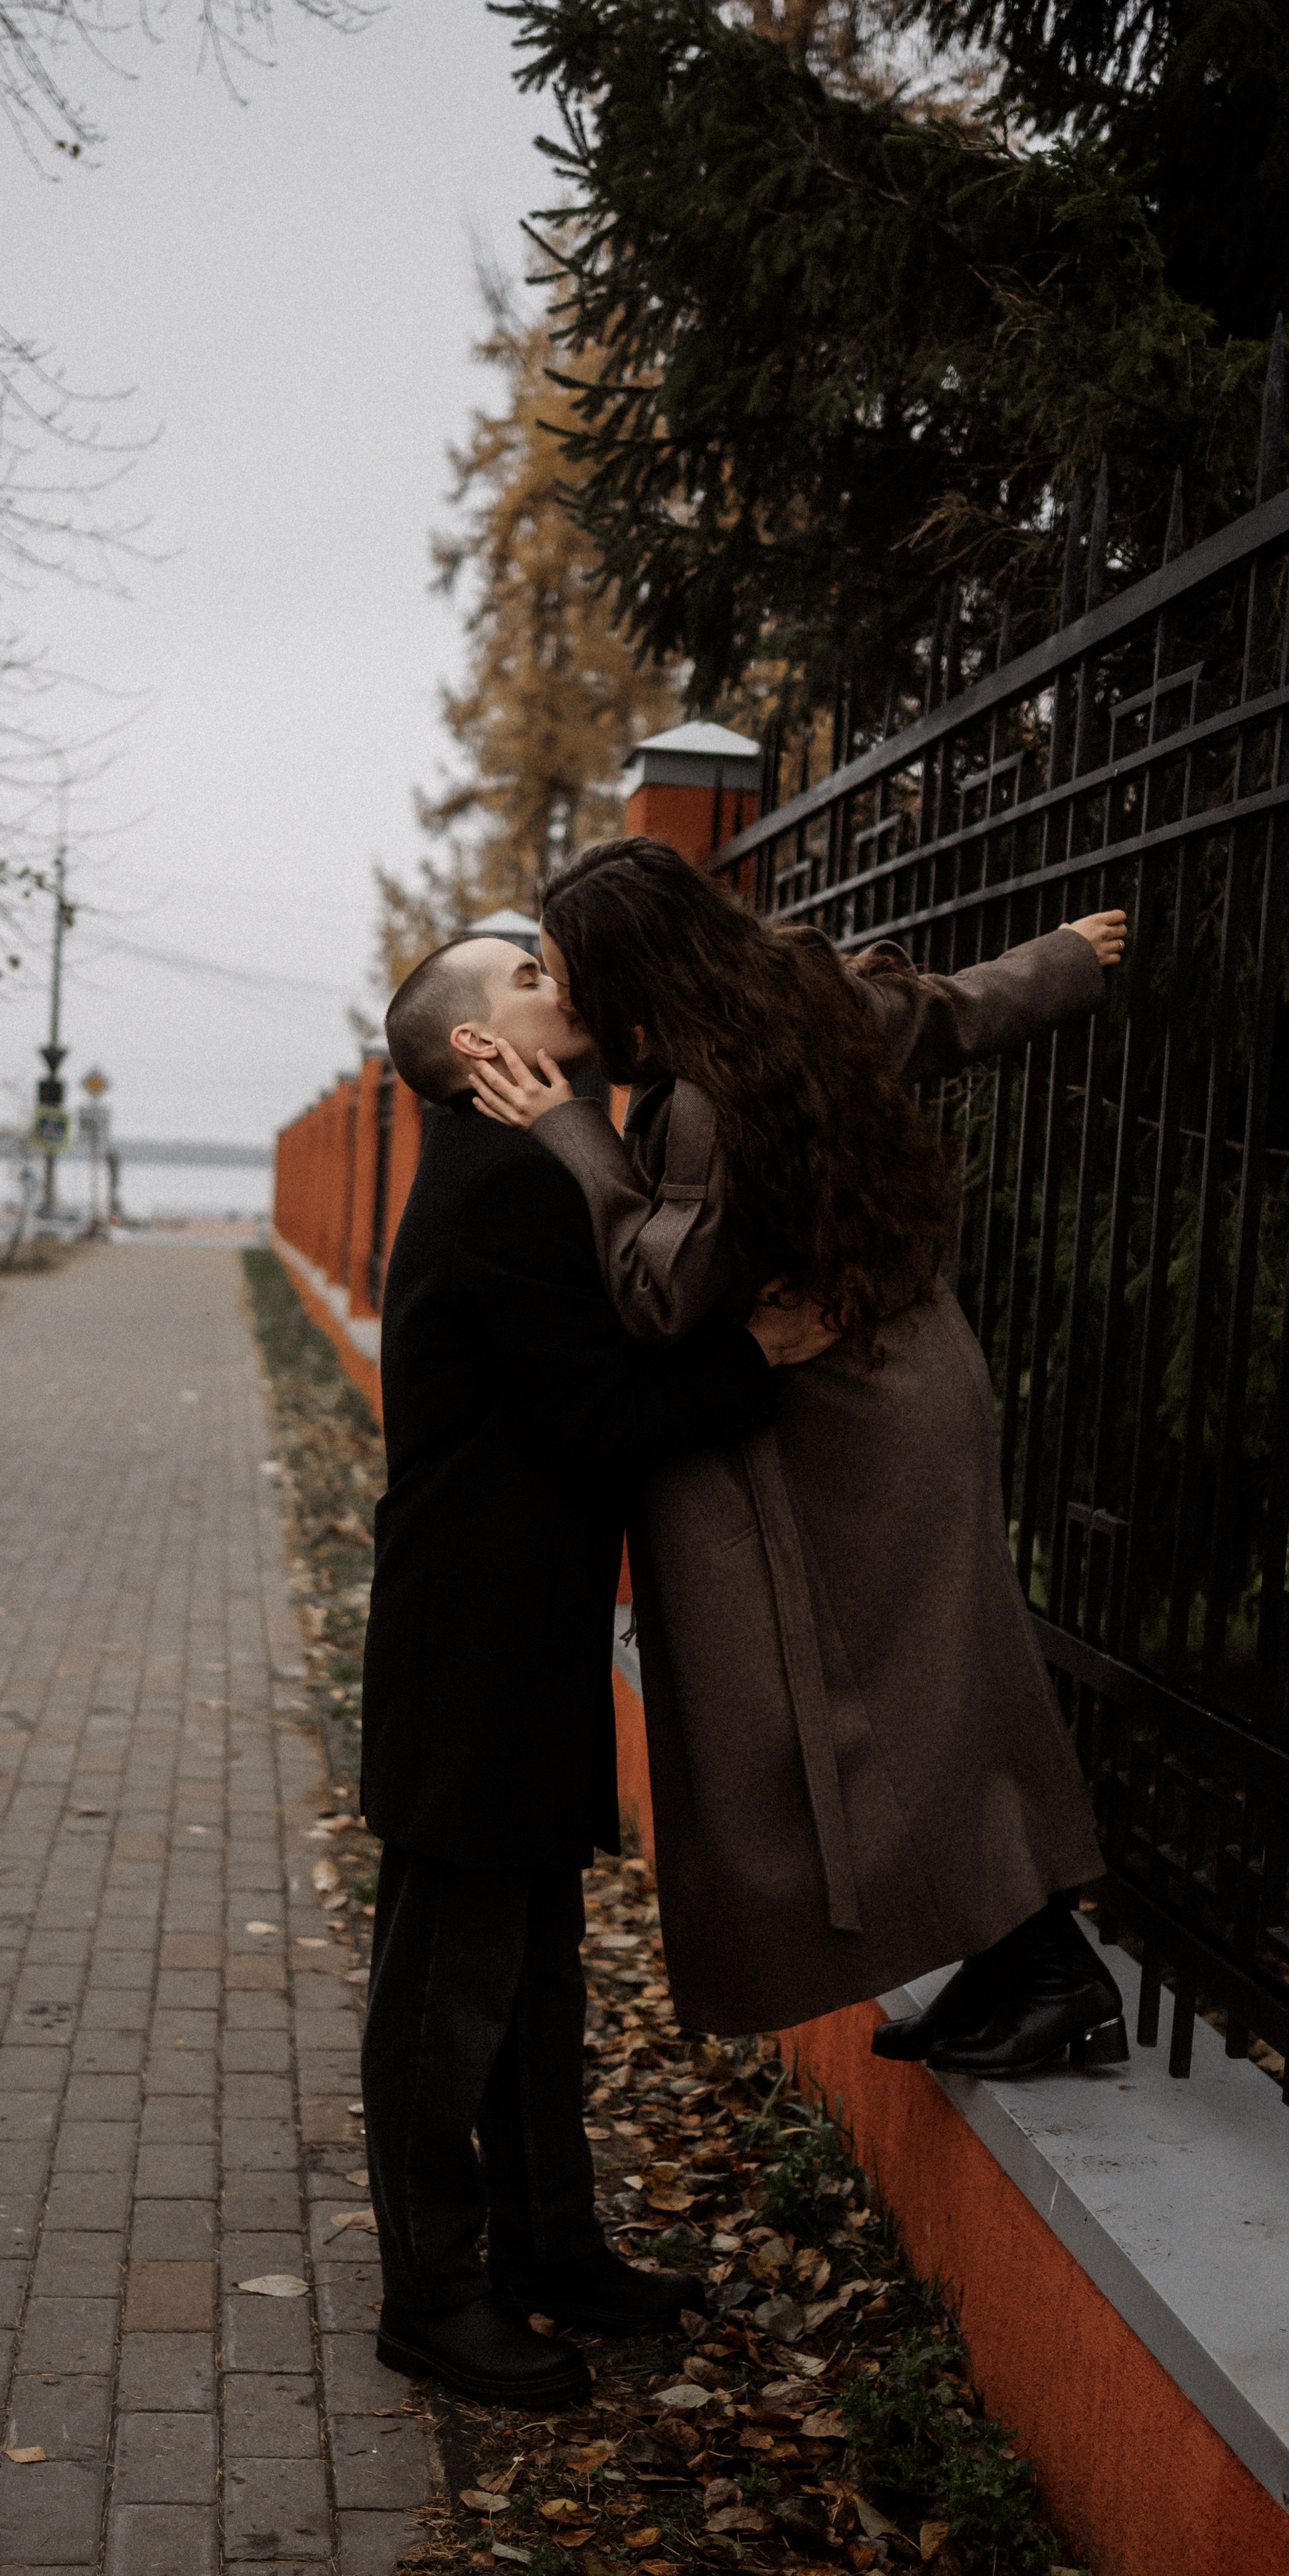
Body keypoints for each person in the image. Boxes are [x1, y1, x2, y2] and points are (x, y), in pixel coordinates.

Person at [467, 836, 1130, 2081]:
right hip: (903, 1377)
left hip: (859, 1416)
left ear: (632, 978)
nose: (558, 1002)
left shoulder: (705, 1103)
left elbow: (659, 1294)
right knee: (920, 1690)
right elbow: (935, 1014)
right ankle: (1016, 1968)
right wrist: (1062, 963)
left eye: (565, 976)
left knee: (906, 1698)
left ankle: (1051, 1974)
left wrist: (570, 1130)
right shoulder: (789, 1002)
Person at [358, 930, 832, 2413]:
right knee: (446, 1992)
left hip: (519, 1631)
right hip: (472, 1648)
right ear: (470, 1051)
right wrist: (755, 1351)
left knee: (533, 1977)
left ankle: (551, 2247)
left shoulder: (534, 1159)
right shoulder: (496, 1180)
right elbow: (590, 1411)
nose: (550, 971)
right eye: (517, 975)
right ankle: (433, 2296)